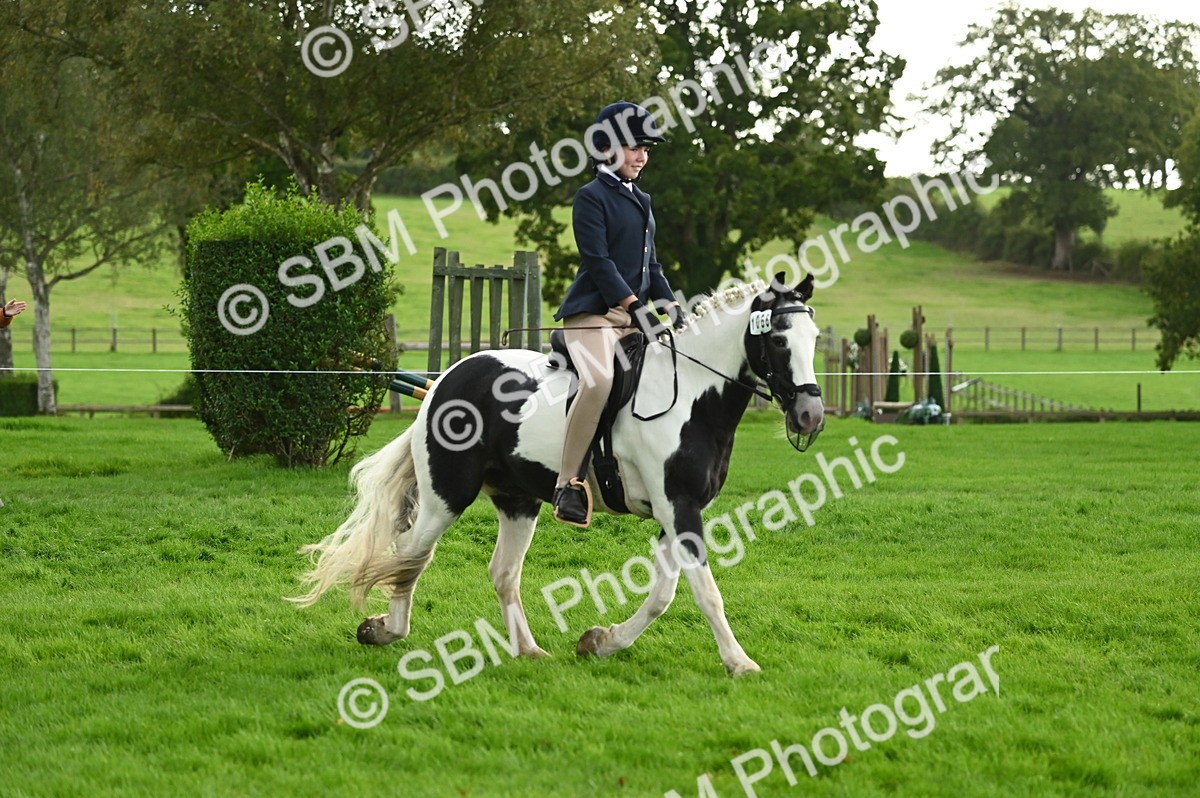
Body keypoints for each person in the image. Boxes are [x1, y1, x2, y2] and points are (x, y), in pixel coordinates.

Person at [551, 101, 685, 527]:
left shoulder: (642, 200)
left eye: (646, 149)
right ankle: (567, 485)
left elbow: (651, 266)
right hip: (593, 316)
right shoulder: (590, 198)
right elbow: (599, 262)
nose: (642, 156)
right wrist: (635, 307)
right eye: (634, 147)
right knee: (599, 382)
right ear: (606, 147)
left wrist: (671, 305)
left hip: (632, 318)